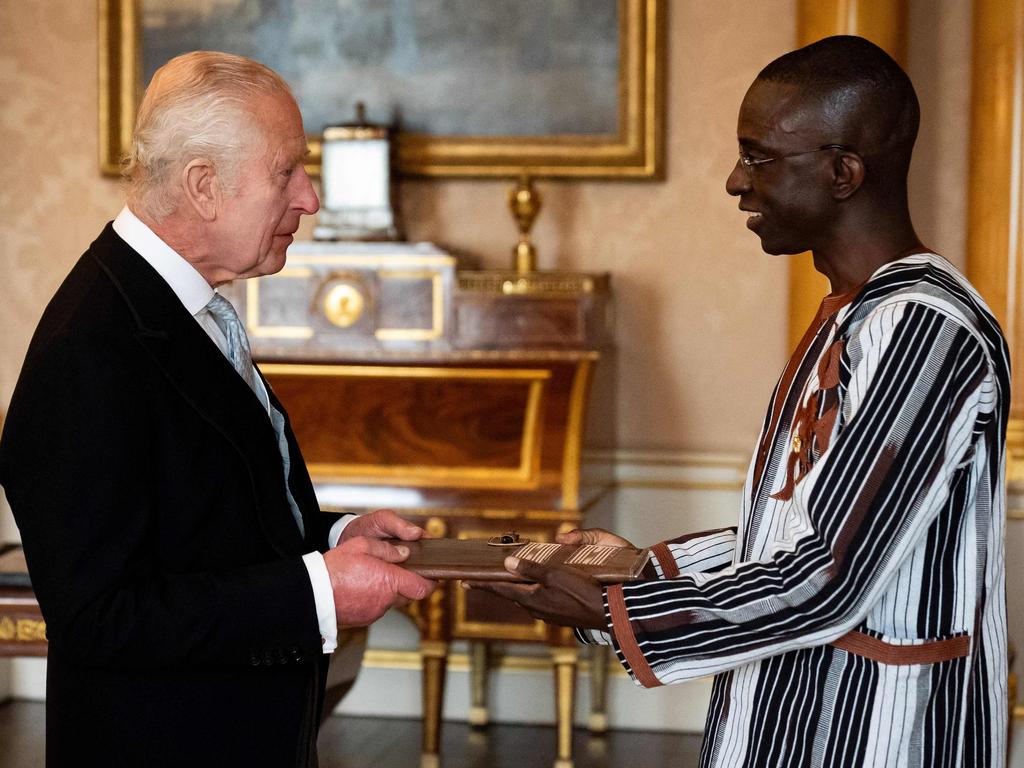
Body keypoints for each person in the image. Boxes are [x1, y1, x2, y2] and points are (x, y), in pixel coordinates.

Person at [470, 35, 1010, 767]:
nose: (734, 181)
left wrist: (616, 610)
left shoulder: (922, 328)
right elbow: (803, 525)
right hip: (796, 712)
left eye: (758, 157)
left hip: (880, 730)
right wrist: (638, 568)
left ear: (843, 171)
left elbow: (829, 575)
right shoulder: (854, 315)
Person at [0, 51, 435, 767]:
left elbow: (206, 524)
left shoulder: (181, 305)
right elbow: (100, 617)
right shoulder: (91, 345)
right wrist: (316, 594)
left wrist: (332, 537)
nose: (310, 197)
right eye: (287, 170)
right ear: (204, 186)